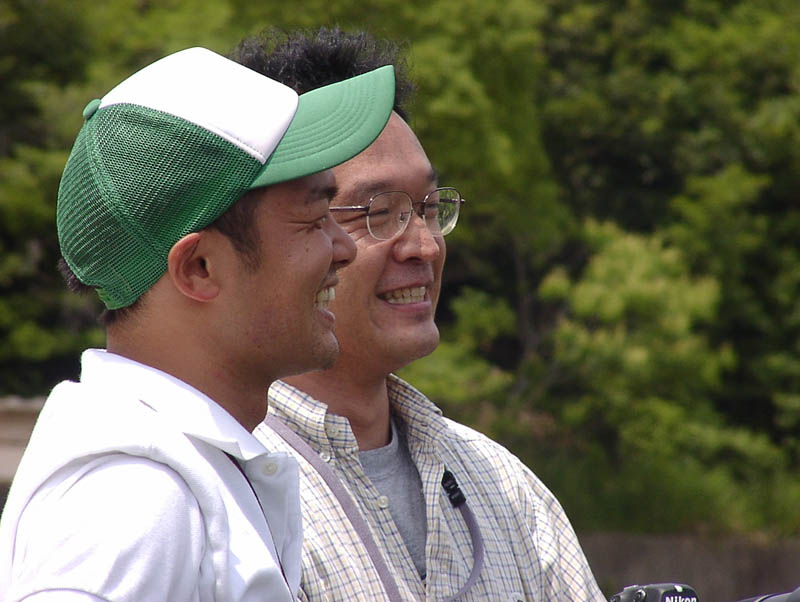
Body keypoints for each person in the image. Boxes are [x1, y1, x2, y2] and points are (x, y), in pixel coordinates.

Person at [0, 46, 395, 601]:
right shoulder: (133, 500)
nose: (345, 247)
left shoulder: (177, 469)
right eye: (312, 219)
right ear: (199, 267)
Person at [232, 29, 605, 601]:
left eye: (430, 208)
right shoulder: (224, 490)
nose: (425, 246)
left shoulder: (503, 486)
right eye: (380, 212)